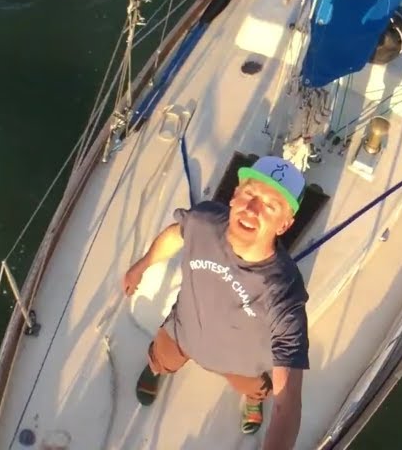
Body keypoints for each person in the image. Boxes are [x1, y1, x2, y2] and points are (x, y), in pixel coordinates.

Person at [122, 155, 310, 447]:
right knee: (162, 356)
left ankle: (252, 399)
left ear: (284, 225)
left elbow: (288, 404)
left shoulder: (283, 292)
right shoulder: (203, 220)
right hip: (182, 334)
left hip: (242, 365)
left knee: (258, 388)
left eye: (270, 206)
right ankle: (157, 367)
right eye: (249, 194)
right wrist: (143, 265)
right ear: (234, 195)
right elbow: (177, 234)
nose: (252, 209)